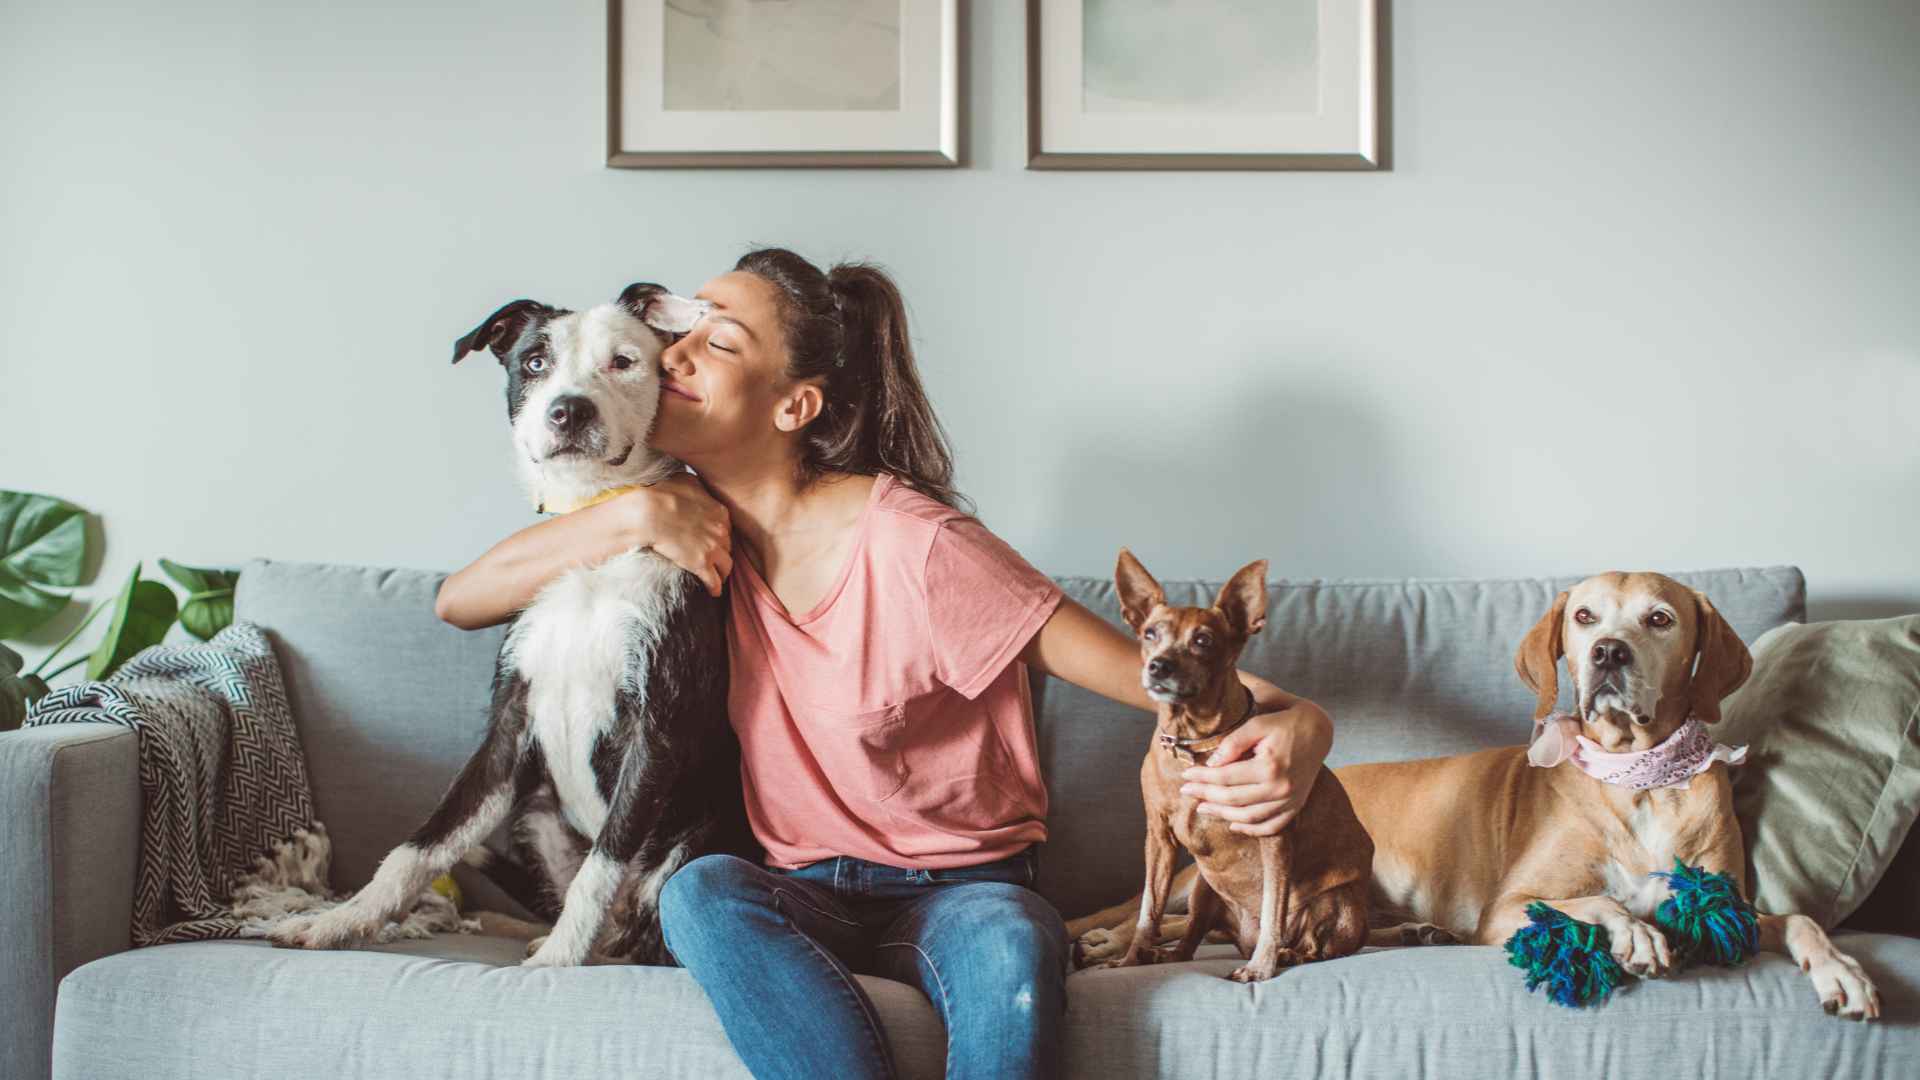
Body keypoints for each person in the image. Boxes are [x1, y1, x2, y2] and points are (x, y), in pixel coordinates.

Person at [434, 248, 1334, 1080]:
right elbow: (460, 601)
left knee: (1015, 946)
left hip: (963, 891)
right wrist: (626, 519)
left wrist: (1304, 722)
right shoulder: (675, 524)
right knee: (701, 892)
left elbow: (1159, 678)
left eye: (719, 341)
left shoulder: (918, 545)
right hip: (797, 888)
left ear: (795, 405)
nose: (674, 356)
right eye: (683, 332)